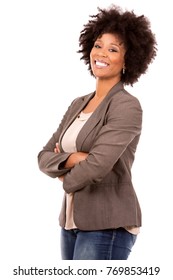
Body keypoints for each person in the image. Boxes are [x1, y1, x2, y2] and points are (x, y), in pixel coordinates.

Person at [38, 5, 157, 260]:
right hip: (70, 223)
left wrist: (64, 178)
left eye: (113, 49)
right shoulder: (78, 103)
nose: (101, 53)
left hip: (107, 224)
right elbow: (44, 156)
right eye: (98, 45)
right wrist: (73, 158)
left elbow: (98, 166)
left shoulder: (126, 105)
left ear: (129, 60)